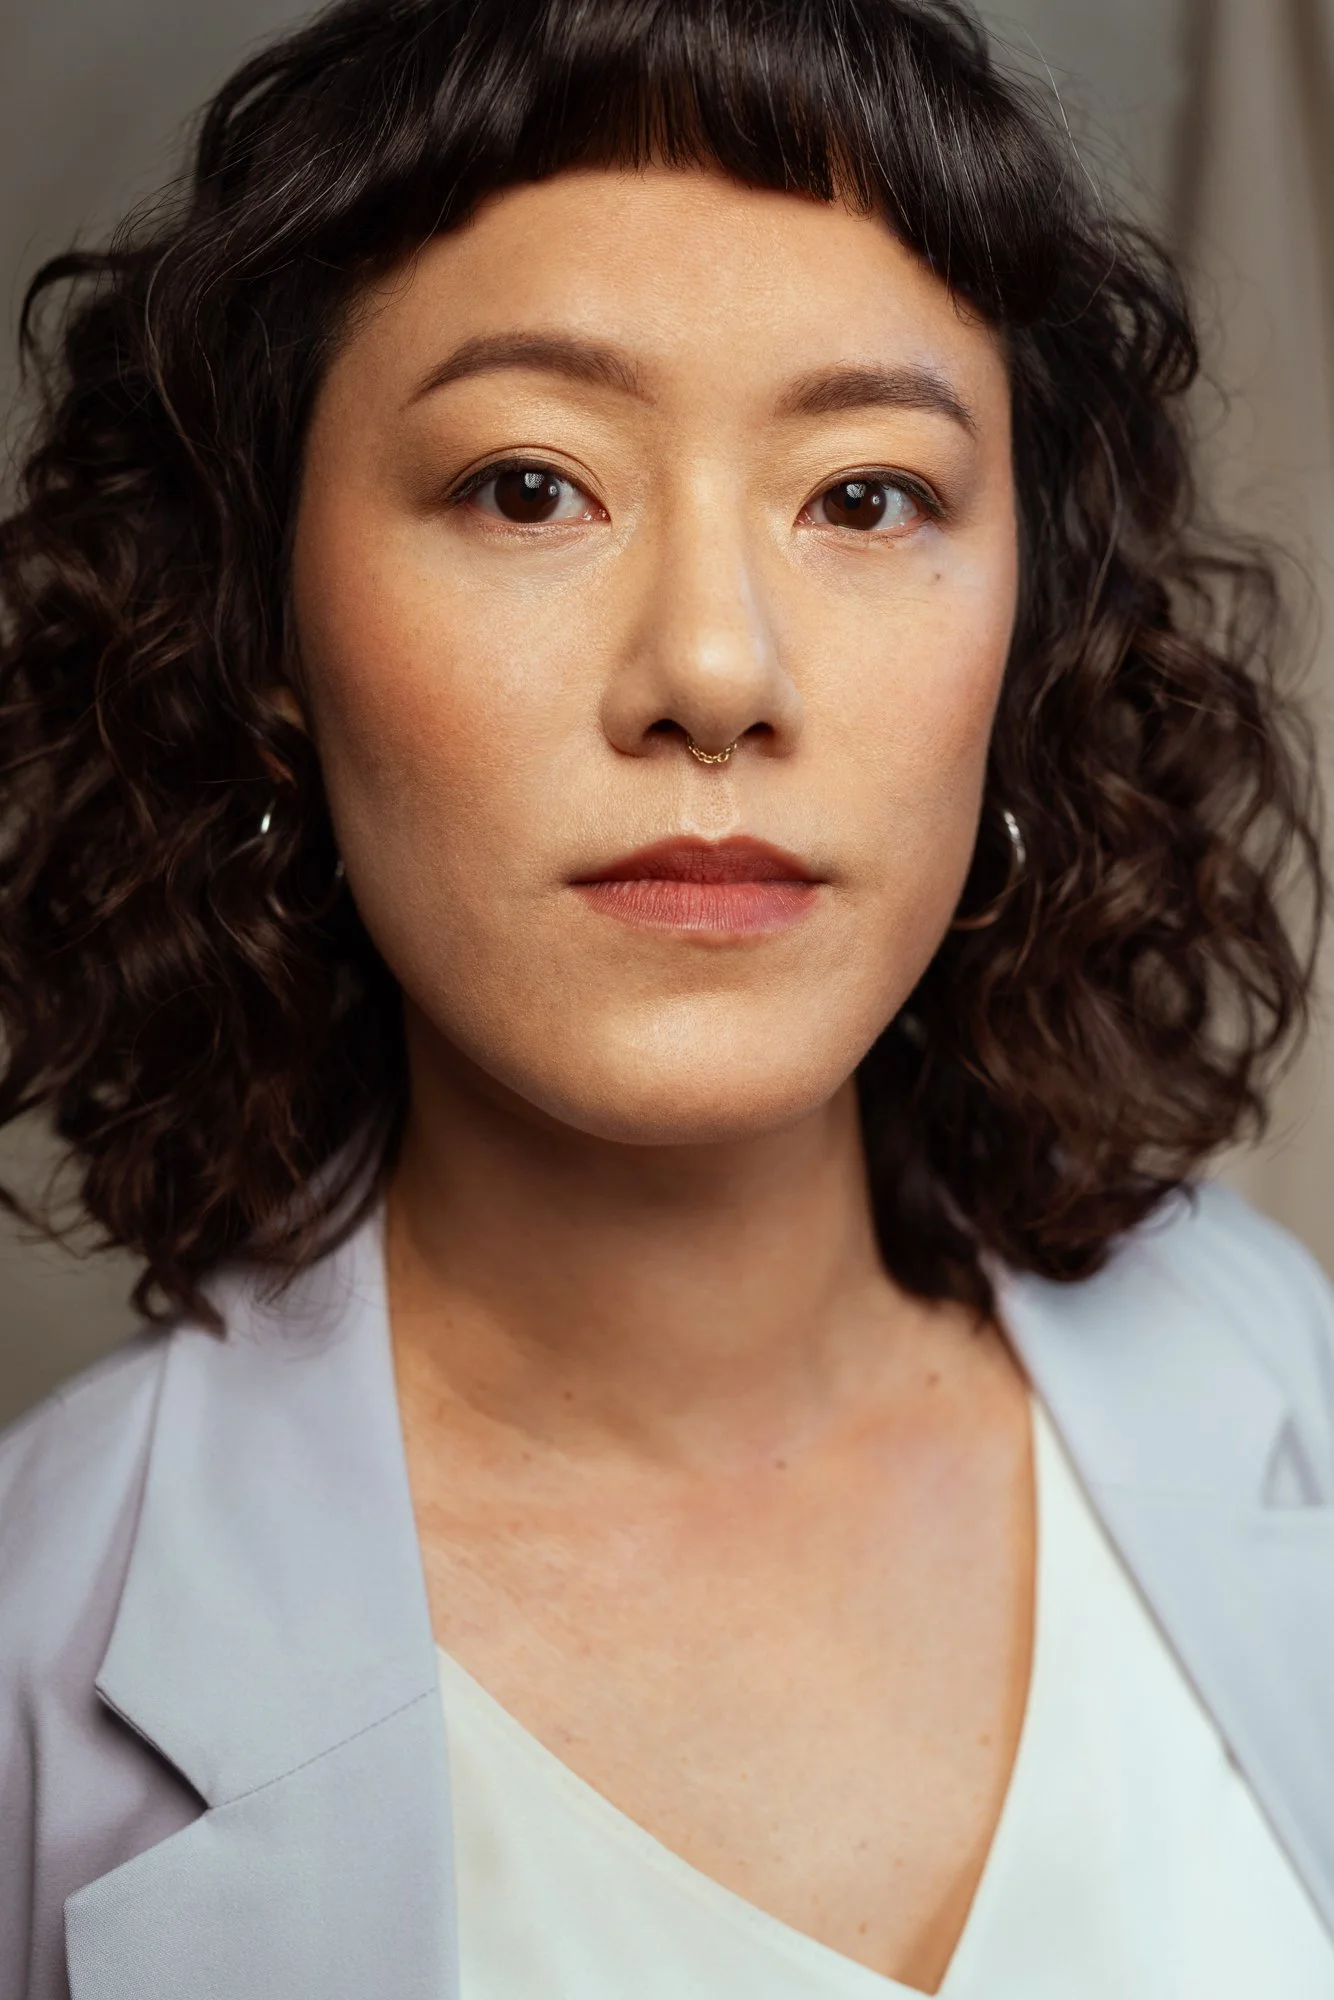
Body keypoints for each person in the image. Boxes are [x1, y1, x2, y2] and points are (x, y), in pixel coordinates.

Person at [1, 0, 1331, 1994]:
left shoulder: (1276, 1359)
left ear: (1023, 635)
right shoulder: (36, 1651)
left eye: (866, 497)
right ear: (269, 628)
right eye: (531, 486)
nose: (713, 668)